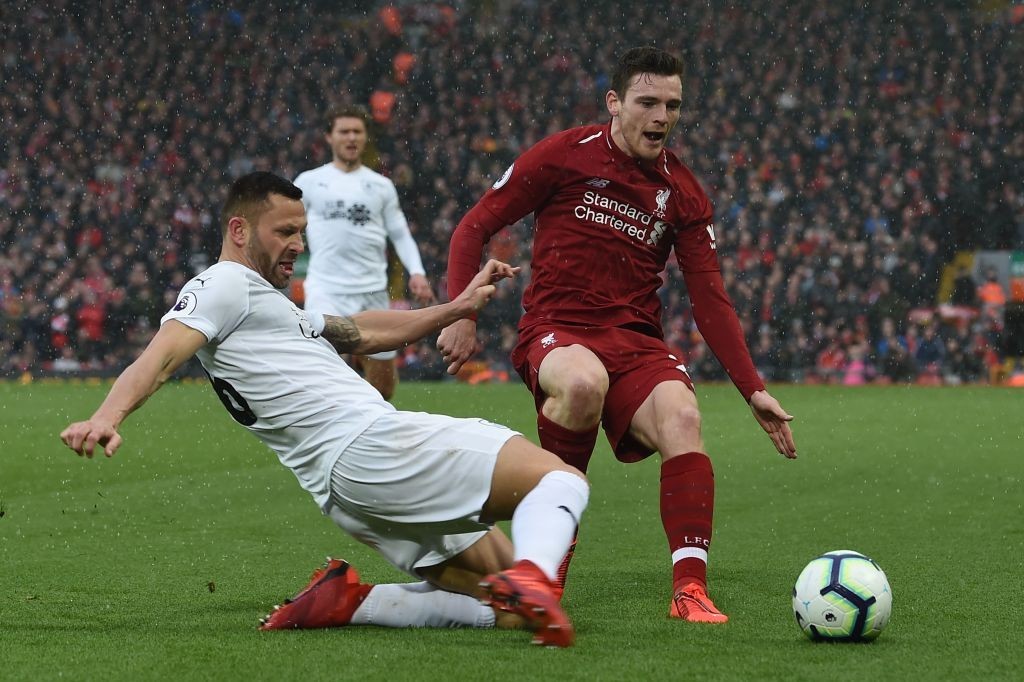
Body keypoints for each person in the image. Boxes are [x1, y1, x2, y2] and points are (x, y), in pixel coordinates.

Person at [60, 172, 589, 647]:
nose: (297, 245)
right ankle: (535, 577)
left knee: (507, 611)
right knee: (560, 483)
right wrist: (107, 416)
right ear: (239, 230)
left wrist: (452, 309)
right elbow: (159, 357)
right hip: (372, 446)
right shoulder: (221, 284)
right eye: (284, 232)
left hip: (343, 488)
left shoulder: (267, 304)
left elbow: (360, 331)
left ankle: (355, 603)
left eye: (301, 232)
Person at [438, 46, 797, 624]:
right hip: (557, 329)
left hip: (633, 339)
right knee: (582, 384)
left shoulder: (682, 192)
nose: (662, 116)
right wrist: (460, 312)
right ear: (615, 103)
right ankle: (548, 570)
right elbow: (475, 225)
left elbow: (710, 296)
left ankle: (690, 592)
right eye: (647, 102)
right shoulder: (564, 154)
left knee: (682, 415)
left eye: (673, 105)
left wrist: (751, 387)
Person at [294, 107, 434, 401]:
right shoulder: (308, 182)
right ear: (329, 137)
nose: (351, 137)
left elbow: (399, 233)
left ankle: (368, 432)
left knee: (383, 389)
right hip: (326, 289)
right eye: (344, 131)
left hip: (371, 292)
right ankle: (331, 436)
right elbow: (287, 225)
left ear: (365, 137)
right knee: (326, 373)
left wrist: (417, 272)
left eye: (357, 132)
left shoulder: (380, 186)